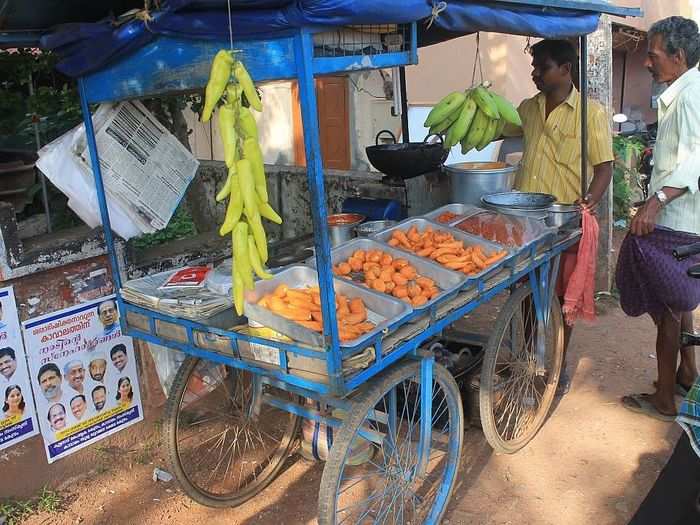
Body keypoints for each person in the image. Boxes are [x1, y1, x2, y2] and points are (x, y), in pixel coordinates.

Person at [505, 39, 614, 394]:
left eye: (543, 68)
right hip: (525, 219)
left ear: (566, 70)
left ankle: (556, 366)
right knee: (526, 295)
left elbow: (604, 167)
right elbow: (499, 129)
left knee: (561, 300)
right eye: (534, 67)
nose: (535, 74)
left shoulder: (591, 113)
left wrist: (590, 201)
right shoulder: (528, 108)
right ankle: (526, 360)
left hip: (564, 220)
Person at [616, 16, 700, 422]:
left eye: (652, 55)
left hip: (679, 219)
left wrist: (656, 201)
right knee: (679, 300)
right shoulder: (680, 91)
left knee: (666, 305)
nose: (647, 63)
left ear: (678, 56)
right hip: (681, 218)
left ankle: (664, 399)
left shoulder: (691, 95)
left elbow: (696, 159)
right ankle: (687, 373)